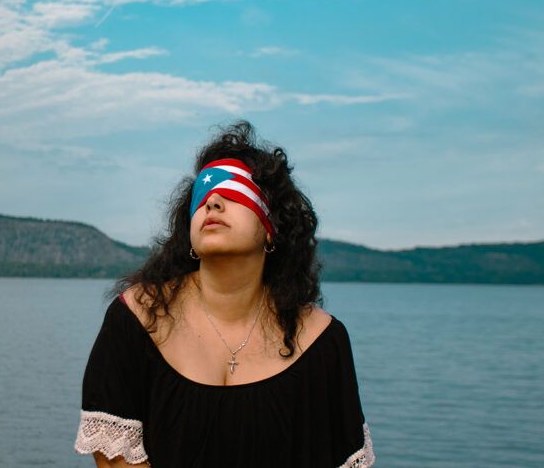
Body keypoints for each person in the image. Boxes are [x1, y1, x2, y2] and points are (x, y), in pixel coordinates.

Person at [74, 120, 376, 467]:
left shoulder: (323, 340)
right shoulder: (136, 318)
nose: (213, 201)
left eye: (234, 192)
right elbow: (114, 461)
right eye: (203, 196)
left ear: (272, 230)